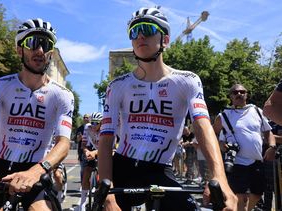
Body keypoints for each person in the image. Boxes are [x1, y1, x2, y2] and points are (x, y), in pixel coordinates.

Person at [98, 6, 237, 211]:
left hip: (160, 168)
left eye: (147, 28)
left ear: (165, 39)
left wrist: (219, 177)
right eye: (134, 31)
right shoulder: (118, 86)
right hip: (123, 167)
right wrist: (107, 196)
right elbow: (106, 138)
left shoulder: (187, 81)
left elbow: (203, 126)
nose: (140, 36)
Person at [0, 18, 74, 211]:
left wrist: (35, 173)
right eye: (33, 43)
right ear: (19, 50)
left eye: (46, 44)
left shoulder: (63, 95)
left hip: (36, 167)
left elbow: (64, 143)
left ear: (51, 51)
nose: (40, 50)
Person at [213, 83, 276, 211]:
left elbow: (268, 132)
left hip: (257, 160)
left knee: (257, 194)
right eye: (235, 93)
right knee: (240, 196)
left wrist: (272, 147)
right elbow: (212, 133)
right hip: (237, 162)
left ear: (246, 95)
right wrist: (220, 144)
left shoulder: (257, 111)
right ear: (230, 96)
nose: (239, 94)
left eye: (242, 92)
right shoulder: (224, 115)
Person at [78, 112, 102, 211]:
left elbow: (109, 147)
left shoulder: (106, 129)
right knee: (86, 173)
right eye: (92, 123)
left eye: (96, 123)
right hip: (93, 150)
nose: (94, 125)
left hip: (105, 151)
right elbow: (83, 144)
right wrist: (87, 151)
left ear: (101, 123)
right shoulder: (87, 128)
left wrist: (95, 153)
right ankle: (82, 204)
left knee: (103, 177)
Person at [75, 114, 90, 182]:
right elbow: (76, 140)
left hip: (92, 150)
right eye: (84, 117)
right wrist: (79, 138)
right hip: (82, 151)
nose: (85, 119)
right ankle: (82, 184)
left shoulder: (93, 127)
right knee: (83, 169)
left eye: (87, 117)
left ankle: (93, 184)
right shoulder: (80, 128)